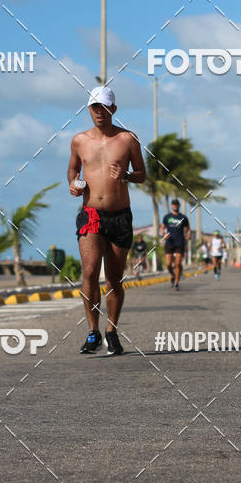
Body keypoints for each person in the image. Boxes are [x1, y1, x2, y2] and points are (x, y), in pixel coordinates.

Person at [68, 86, 146, 355]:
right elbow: (72, 169)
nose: (99, 112)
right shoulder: (79, 140)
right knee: (89, 272)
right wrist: (73, 184)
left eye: (104, 106)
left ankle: (111, 331)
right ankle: (92, 332)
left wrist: (125, 174)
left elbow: (142, 175)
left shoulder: (128, 140)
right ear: (89, 109)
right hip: (90, 214)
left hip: (120, 217)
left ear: (113, 109)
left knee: (113, 279)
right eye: (94, 107)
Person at [160, 199, 191, 290]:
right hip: (169, 242)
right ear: (171, 205)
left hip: (180, 242)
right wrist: (164, 234)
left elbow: (188, 229)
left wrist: (188, 235)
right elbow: (162, 228)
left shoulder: (183, 217)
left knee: (177, 263)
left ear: (179, 206)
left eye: (176, 204)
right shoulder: (167, 217)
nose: (175, 206)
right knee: (168, 264)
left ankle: (176, 283)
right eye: (173, 204)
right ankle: (174, 276)